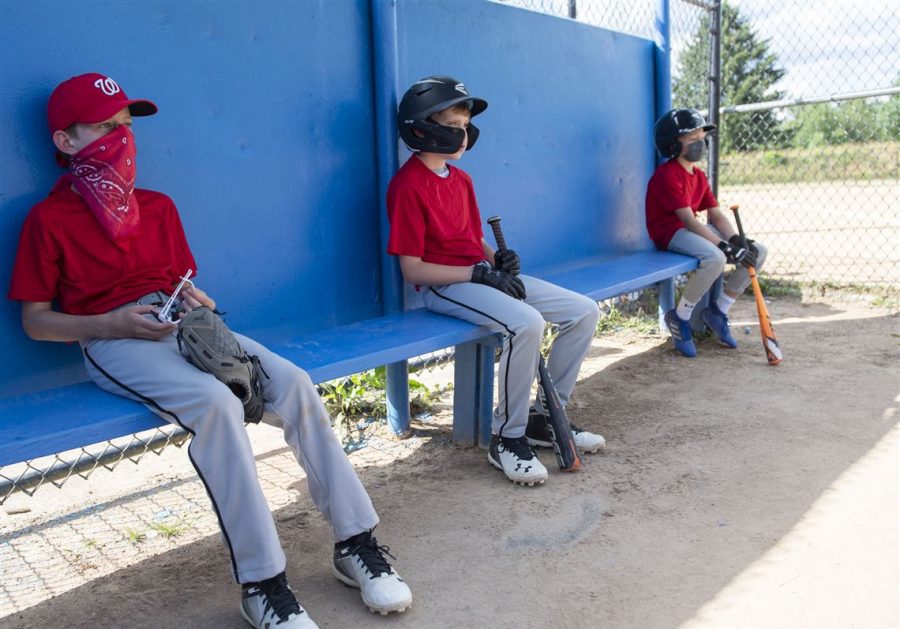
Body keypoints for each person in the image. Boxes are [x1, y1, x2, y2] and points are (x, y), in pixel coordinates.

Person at [7, 72, 412, 628]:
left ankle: (356, 544)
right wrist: (111, 322)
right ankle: (263, 583)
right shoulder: (49, 219)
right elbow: (36, 323)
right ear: (66, 141)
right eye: (103, 127)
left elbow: (182, 280)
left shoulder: (157, 205)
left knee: (292, 382)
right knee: (216, 405)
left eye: (125, 126)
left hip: (182, 323)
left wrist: (195, 298)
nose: (121, 138)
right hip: (110, 339)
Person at [386, 76, 603, 487]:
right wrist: (477, 273)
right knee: (527, 323)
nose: (463, 134)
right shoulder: (407, 185)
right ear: (421, 128)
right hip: (444, 286)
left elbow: (471, 239)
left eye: (465, 126)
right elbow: (413, 270)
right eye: (453, 124)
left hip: (477, 275)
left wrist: (495, 258)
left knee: (583, 311)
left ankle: (542, 418)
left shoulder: (461, 179)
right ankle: (507, 437)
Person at [646, 108, 768, 357]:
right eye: (691, 139)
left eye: (701, 137)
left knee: (758, 251)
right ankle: (680, 317)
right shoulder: (667, 175)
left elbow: (715, 214)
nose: (699, 143)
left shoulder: (699, 175)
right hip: (669, 233)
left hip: (690, 229)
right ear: (672, 145)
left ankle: (719, 310)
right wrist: (724, 247)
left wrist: (735, 239)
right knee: (716, 258)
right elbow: (689, 221)